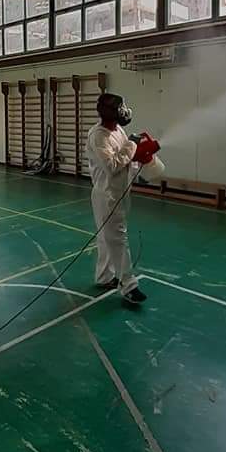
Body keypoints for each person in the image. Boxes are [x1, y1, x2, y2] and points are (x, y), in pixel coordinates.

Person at [86, 92, 153, 305]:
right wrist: (132, 145)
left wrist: (138, 171)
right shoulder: (98, 136)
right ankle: (128, 285)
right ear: (112, 112)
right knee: (119, 239)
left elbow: (127, 158)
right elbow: (112, 165)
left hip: (119, 192)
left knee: (107, 239)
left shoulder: (119, 130)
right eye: (120, 108)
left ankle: (104, 277)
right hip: (107, 196)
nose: (125, 111)